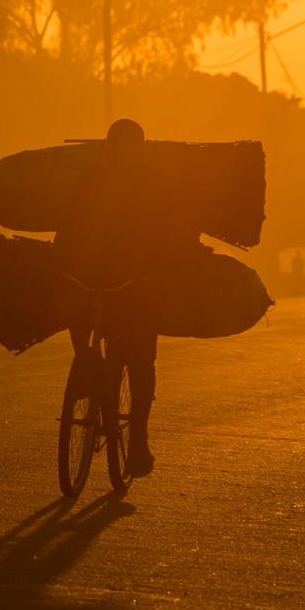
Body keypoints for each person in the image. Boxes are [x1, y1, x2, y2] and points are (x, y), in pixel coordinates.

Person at [54, 119, 203, 477]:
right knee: (83, 326)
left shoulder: (155, 188)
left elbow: (173, 237)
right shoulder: (91, 184)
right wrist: (61, 265)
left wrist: (156, 274)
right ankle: (86, 368)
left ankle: (137, 436)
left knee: (139, 360)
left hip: (135, 285)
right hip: (92, 279)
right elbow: (68, 229)